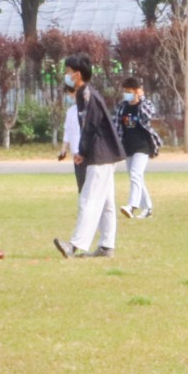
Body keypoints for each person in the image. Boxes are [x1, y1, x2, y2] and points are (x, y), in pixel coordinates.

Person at [53, 54, 124, 259]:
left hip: (100, 155)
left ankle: (74, 245)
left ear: (77, 75)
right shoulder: (85, 94)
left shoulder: (87, 95)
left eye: (67, 72)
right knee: (106, 202)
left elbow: (91, 127)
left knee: (88, 199)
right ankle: (106, 246)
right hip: (104, 154)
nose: (66, 76)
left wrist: (82, 152)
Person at [115, 77, 161, 219]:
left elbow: (149, 114)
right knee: (136, 178)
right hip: (128, 146)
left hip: (143, 146)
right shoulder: (122, 107)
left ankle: (132, 206)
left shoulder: (143, 105)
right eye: (125, 91)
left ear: (136, 91)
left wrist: (142, 97)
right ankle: (147, 208)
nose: (126, 94)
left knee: (135, 174)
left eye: (129, 91)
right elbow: (116, 127)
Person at [56, 82, 83, 193]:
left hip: (85, 152)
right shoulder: (71, 111)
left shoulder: (86, 109)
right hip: (75, 153)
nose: (69, 97)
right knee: (81, 185)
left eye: (70, 94)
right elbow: (67, 131)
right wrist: (63, 150)